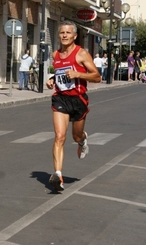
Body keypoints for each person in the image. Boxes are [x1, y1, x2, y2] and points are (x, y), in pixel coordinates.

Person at [46, 20, 101, 192]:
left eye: (68, 33)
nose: (64, 35)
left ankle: (83, 139)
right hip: (60, 99)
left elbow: (97, 77)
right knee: (59, 137)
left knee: (75, 136)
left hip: (78, 100)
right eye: (62, 32)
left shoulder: (81, 54)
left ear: (75, 36)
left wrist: (78, 73)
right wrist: (52, 80)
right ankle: (58, 175)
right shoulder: (56, 55)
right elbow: (60, 74)